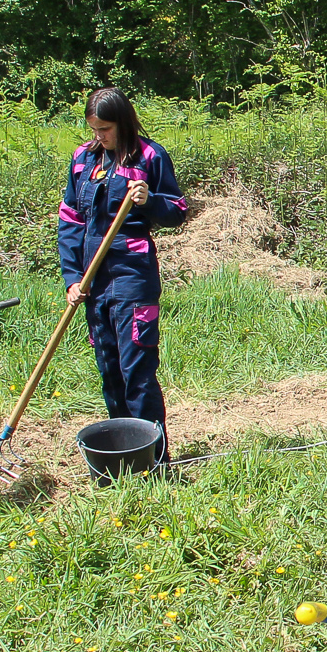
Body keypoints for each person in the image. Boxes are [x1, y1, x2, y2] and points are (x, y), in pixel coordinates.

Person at [58, 88, 190, 456]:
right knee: (110, 371)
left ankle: (155, 459)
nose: (99, 136)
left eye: (106, 129)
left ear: (124, 123)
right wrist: (72, 277)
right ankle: (121, 456)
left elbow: (177, 211)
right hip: (92, 280)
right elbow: (70, 220)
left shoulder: (150, 156)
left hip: (132, 278)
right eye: (94, 128)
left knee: (137, 372)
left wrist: (150, 201)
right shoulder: (84, 160)